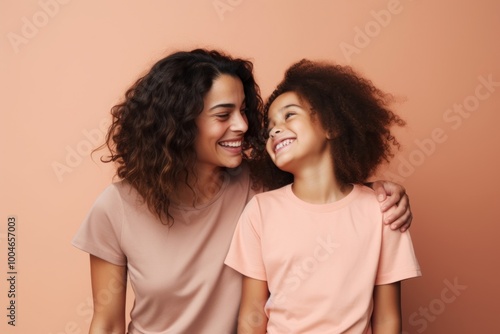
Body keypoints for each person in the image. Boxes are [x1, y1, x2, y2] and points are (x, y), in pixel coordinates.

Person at [72, 49, 414, 334]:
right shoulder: (116, 208)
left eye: (244, 111)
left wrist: (379, 192)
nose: (244, 126)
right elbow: (107, 323)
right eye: (224, 114)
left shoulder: (258, 188)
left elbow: (327, 197)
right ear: (179, 123)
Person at [224, 59, 422, 333]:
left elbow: (388, 319)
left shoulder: (382, 211)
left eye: (289, 115)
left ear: (332, 126)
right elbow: (252, 315)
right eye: (270, 127)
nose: (275, 129)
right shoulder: (260, 211)